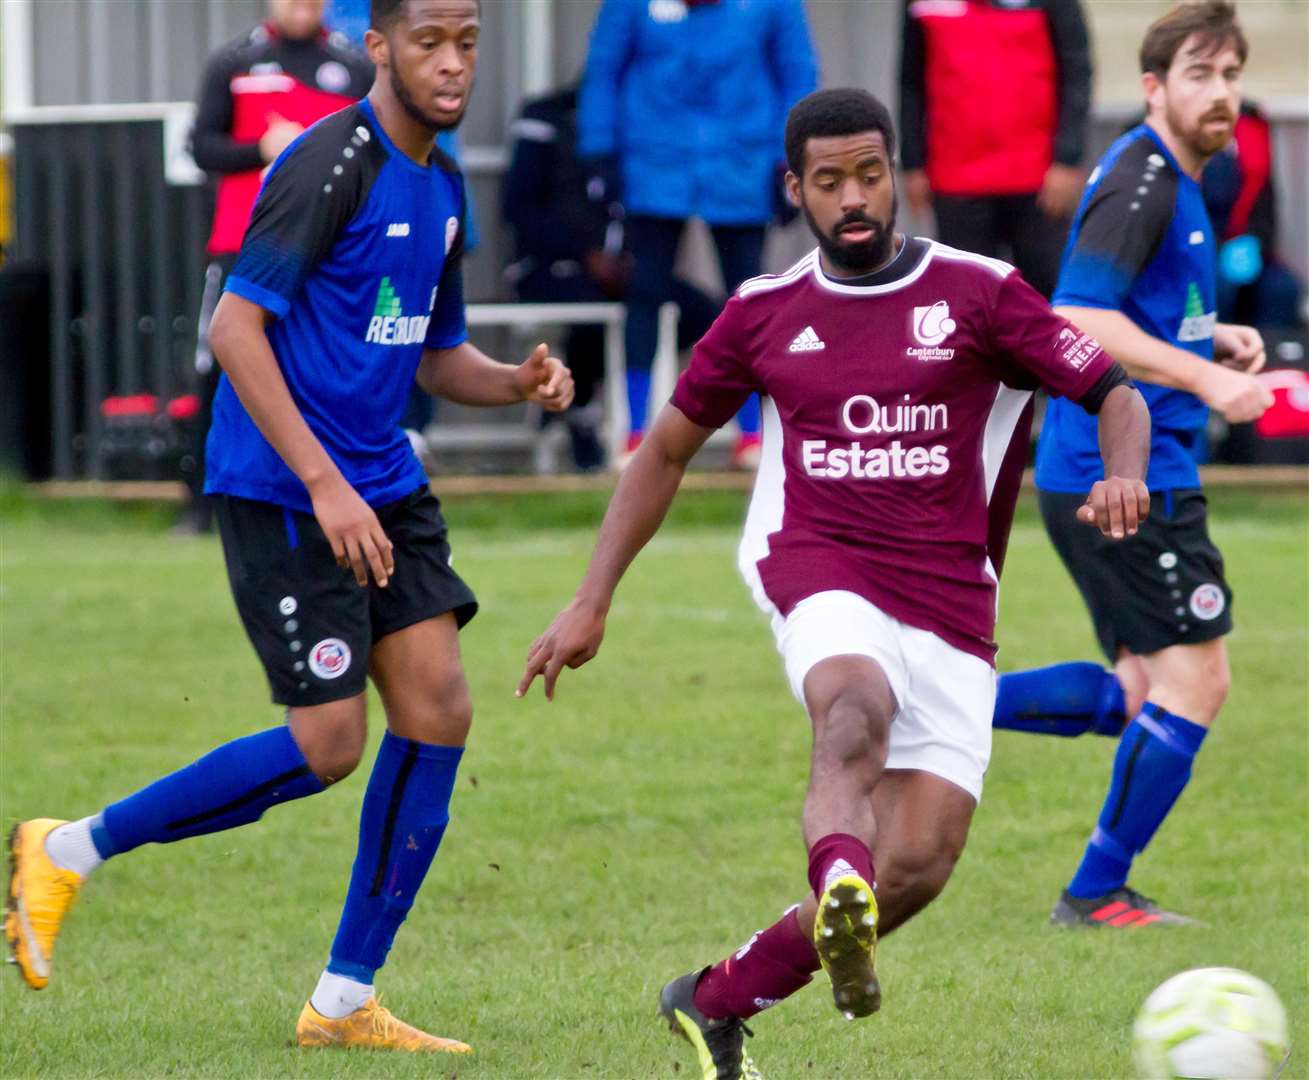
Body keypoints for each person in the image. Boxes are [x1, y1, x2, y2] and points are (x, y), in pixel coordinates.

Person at [518, 87, 1151, 1079]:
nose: (852, 198)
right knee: (850, 709)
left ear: (894, 174)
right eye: (828, 182)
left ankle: (714, 996)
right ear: (794, 190)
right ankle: (839, 876)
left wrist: (1124, 472)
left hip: (950, 600)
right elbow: (663, 454)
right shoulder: (763, 314)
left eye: (868, 175)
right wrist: (593, 596)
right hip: (816, 564)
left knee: (920, 865)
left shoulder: (981, 292)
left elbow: (1111, 392)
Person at [6, 0, 574, 1053]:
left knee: (439, 708)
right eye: (428, 41)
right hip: (284, 484)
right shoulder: (326, 164)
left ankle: (345, 1001)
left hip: (379, 480)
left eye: (467, 42)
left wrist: (518, 384)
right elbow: (234, 328)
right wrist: (323, 483)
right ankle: (66, 849)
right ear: (380, 47)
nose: (451, 65)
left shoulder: (444, 184)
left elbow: (433, 353)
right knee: (329, 744)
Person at [990, 1, 1273, 928]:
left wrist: (1206, 336)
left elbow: (1135, 316)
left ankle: (930, 705)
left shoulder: (1181, 176)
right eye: (1198, 74)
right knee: (1197, 681)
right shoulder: (1143, 182)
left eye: (1230, 74)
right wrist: (1202, 376)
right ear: (1153, 87)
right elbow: (1077, 317)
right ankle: (1094, 892)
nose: (1219, 92)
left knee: (1143, 690)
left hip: (1119, 466)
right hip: (1122, 471)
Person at [577, 0, 818, 467]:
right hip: (653, 161)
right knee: (644, 293)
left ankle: (751, 432)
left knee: (747, 298)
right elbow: (604, 67)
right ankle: (636, 433)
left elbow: (796, 71)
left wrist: (789, 156)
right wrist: (599, 149)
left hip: (740, 164)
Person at [178, 0, 373, 535]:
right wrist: (261, 148)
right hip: (244, 244)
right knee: (220, 368)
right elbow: (202, 146)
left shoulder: (354, 66)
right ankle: (200, 505)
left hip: (329, 248)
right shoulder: (235, 61)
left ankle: (338, 491)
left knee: (329, 365)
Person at [502, 81, 723, 471]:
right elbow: (519, 210)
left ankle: (582, 401)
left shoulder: (647, 119)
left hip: (625, 273)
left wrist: (632, 259)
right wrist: (585, 254)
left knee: (702, 311)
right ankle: (578, 406)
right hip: (551, 268)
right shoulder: (547, 115)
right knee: (590, 310)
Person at [898, 0, 1092, 299]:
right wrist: (912, 164)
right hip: (955, 179)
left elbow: (1076, 69)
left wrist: (1067, 158)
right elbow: (910, 81)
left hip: (1039, 178)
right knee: (967, 297)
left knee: (1049, 296)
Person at [1202, 100, 1303, 328]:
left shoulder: (1251, 132)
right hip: (1197, 250)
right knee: (1219, 289)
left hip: (1246, 243)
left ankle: (1269, 358)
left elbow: (1265, 206)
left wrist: (1255, 241)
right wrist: (1217, 249)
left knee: (1283, 289)